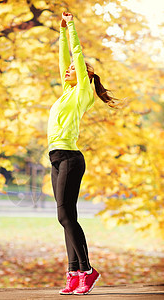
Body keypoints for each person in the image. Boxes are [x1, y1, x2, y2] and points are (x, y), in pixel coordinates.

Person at [47, 12, 121, 295]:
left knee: (65, 216)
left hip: (70, 158)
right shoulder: (68, 91)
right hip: (55, 158)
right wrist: (61, 32)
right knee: (65, 217)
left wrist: (73, 27)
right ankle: (74, 272)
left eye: (72, 71)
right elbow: (64, 58)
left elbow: (76, 56)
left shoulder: (82, 94)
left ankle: (87, 270)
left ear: (84, 75)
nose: (66, 71)